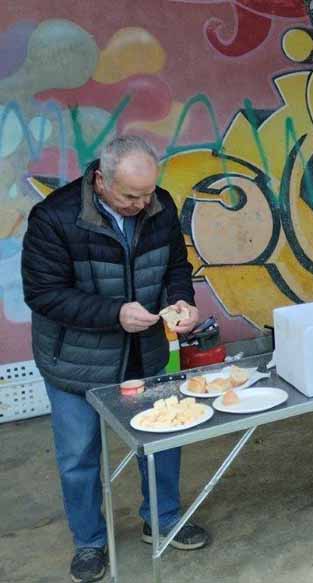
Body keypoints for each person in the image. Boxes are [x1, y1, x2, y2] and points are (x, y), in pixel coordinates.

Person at [21, 136, 209, 583]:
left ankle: (162, 518)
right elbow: (43, 294)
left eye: (148, 193)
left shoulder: (159, 205)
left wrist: (182, 301)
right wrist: (114, 314)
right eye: (130, 196)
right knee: (79, 456)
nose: (142, 204)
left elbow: (176, 267)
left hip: (146, 351)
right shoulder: (55, 217)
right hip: (76, 361)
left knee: (163, 438)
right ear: (100, 181)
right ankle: (89, 542)